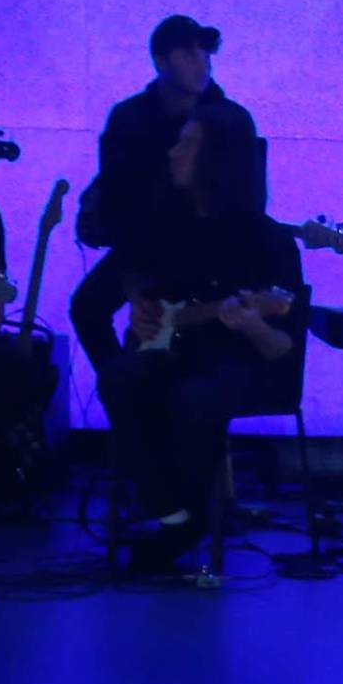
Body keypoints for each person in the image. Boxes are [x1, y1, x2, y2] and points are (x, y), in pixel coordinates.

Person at [94, 100, 301, 572]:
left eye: (187, 144)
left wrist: (252, 323)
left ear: (216, 157)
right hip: (175, 354)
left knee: (196, 397)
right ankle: (169, 508)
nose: (173, 152)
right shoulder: (169, 225)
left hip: (240, 364)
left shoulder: (267, 240)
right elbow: (139, 284)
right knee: (121, 378)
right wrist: (141, 309)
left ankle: (186, 519)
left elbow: (282, 346)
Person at [69, 15, 259, 377]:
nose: (202, 64)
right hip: (142, 245)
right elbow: (116, 202)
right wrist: (133, 281)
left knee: (169, 328)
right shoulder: (129, 118)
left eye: (205, 54)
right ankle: (119, 389)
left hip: (212, 251)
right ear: (160, 61)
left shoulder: (229, 119)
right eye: (188, 55)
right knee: (87, 307)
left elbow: (247, 201)